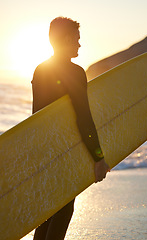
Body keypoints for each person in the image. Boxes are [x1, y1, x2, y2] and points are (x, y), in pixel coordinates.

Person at [32, 17, 110, 240]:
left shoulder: (40, 70)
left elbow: (36, 119)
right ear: (66, 38)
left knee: (47, 214)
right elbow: (83, 118)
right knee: (64, 210)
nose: (79, 44)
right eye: (76, 39)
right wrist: (98, 158)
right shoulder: (75, 72)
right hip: (65, 154)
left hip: (44, 154)